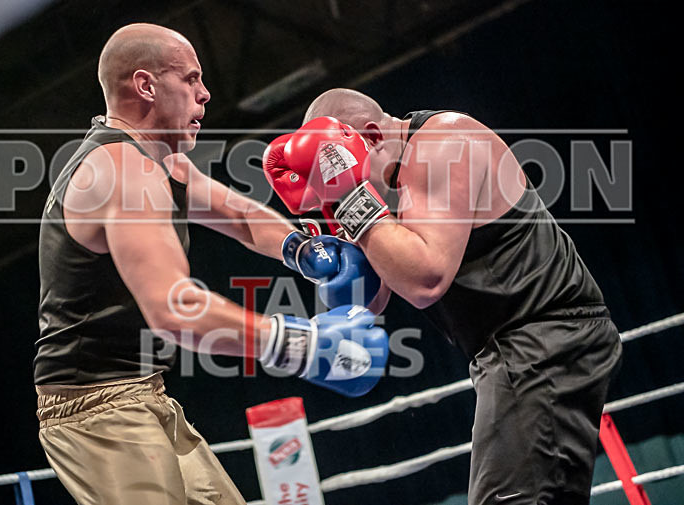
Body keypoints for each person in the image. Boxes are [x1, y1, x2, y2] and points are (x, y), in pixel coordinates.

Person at [34, 28, 388, 505]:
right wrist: (299, 347)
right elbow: (172, 310)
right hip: (96, 412)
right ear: (146, 86)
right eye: (191, 78)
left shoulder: (165, 164)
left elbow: (242, 217)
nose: (205, 93)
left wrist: (304, 250)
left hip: (146, 392)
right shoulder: (121, 172)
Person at [262, 88, 623, 505]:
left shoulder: (442, 143)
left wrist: (347, 196)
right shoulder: (381, 181)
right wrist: (330, 235)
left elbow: (425, 280)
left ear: (374, 136)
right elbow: (369, 300)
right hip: (515, 349)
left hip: (545, 337)